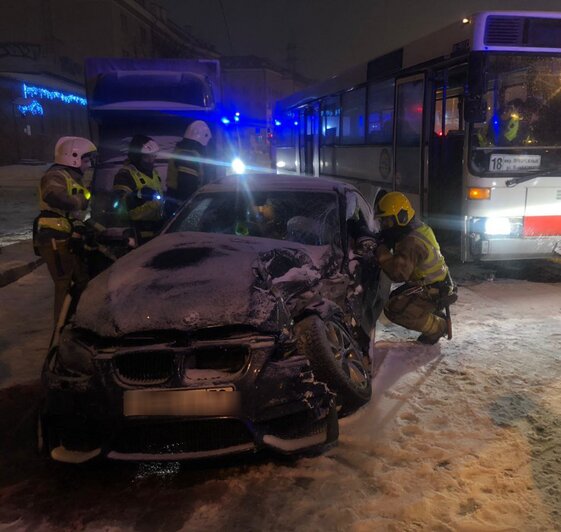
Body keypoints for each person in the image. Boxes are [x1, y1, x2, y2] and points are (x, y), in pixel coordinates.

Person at [373, 191, 456, 345]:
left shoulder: (411, 241)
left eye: (387, 221)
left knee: (394, 309)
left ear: (400, 217)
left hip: (432, 288)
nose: (384, 225)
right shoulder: (416, 227)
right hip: (438, 281)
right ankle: (431, 314)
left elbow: (398, 274)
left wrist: (381, 250)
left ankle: (439, 327)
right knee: (396, 297)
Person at [34, 136, 97, 322]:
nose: (89, 165)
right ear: (74, 157)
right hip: (54, 237)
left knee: (80, 281)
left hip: (64, 235)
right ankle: (60, 332)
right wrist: (79, 201)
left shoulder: (73, 179)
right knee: (64, 284)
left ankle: (72, 322)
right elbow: (54, 196)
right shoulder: (56, 176)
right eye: (86, 160)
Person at [112, 135, 164, 244]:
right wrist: (138, 195)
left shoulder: (154, 173)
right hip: (136, 232)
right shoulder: (125, 175)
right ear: (138, 157)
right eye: (148, 157)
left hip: (157, 229)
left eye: (153, 156)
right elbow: (119, 207)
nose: (152, 159)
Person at [165, 120, 212, 216]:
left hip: (175, 201)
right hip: (182, 206)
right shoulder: (189, 155)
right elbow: (187, 186)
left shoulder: (182, 152)